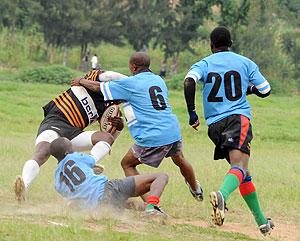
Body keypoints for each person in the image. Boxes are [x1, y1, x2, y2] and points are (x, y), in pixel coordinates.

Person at [72, 52, 204, 202]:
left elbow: (99, 87)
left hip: (152, 136)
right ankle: (196, 189)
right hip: (172, 130)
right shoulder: (158, 80)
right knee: (179, 158)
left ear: (133, 67)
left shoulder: (131, 83)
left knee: (127, 163)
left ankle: (150, 204)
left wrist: (81, 80)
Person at [183, 26, 274, 235]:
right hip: (237, 120)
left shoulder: (204, 63)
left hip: (214, 126)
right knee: (240, 167)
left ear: (211, 45)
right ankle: (222, 196)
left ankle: (262, 222)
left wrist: (192, 113)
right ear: (230, 43)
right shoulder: (245, 62)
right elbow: (265, 90)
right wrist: (247, 89)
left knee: (242, 172)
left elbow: (189, 82)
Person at [14, 69, 127, 202]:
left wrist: (119, 125)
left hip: (74, 132)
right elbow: (110, 75)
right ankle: (24, 186)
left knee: (106, 138)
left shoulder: (109, 105)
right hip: (55, 121)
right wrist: (131, 81)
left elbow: (111, 136)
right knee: (43, 152)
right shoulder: (93, 79)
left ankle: (88, 164)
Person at [51, 137, 168, 215]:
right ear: (67, 152)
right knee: (161, 176)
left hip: (98, 208)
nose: (73, 149)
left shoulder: (57, 181)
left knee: (126, 203)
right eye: (71, 147)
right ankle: (152, 207)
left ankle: (152, 210)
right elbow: (92, 160)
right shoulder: (73, 157)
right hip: (109, 189)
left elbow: (74, 198)